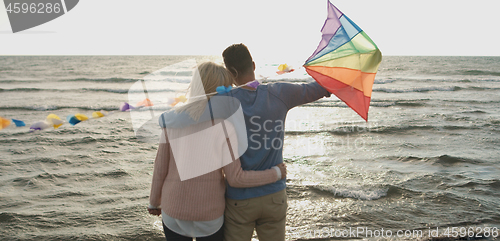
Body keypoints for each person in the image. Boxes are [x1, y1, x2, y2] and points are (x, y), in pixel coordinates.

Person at [148, 62, 287, 241]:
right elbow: (236, 178)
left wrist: (154, 202)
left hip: (173, 211)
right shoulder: (225, 126)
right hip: (208, 215)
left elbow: (160, 168)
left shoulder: (171, 121)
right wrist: (276, 173)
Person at [220, 44, 331, 241]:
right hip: (274, 196)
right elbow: (320, 88)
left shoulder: (224, 102)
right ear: (253, 65)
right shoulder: (280, 93)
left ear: (230, 73)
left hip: (240, 200)